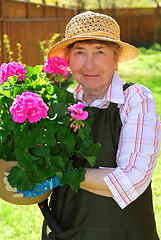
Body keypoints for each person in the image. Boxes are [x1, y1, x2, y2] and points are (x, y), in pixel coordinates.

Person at [5, 11, 161, 240]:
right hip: (63, 229)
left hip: (122, 233)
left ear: (116, 59)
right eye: (80, 52)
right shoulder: (59, 103)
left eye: (100, 51)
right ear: (67, 59)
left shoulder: (135, 98)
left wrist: (62, 174)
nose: (89, 64)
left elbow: (132, 179)